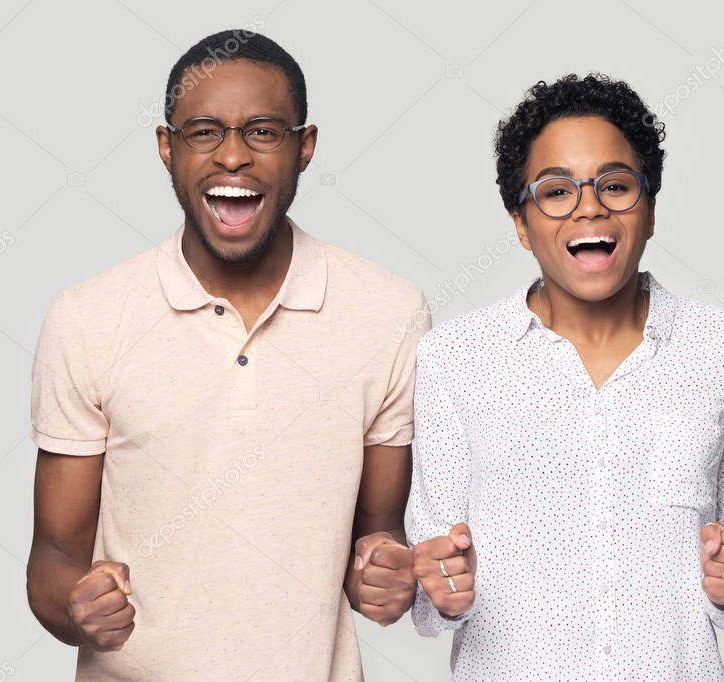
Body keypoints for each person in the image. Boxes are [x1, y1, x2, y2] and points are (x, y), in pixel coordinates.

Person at [26, 30, 426, 681]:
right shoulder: (88, 319)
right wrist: (77, 612)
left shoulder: (388, 313)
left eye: (263, 132)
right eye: (204, 131)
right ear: (167, 148)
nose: (233, 156)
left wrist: (386, 576)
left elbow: (376, 543)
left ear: (305, 148)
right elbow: (51, 559)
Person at [406, 73, 724, 680]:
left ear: (650, 210)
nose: (589, 206)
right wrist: (441, 598)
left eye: (616, 185)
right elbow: (429, 605)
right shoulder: (453, 358)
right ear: (521, 225)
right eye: (555, 191)